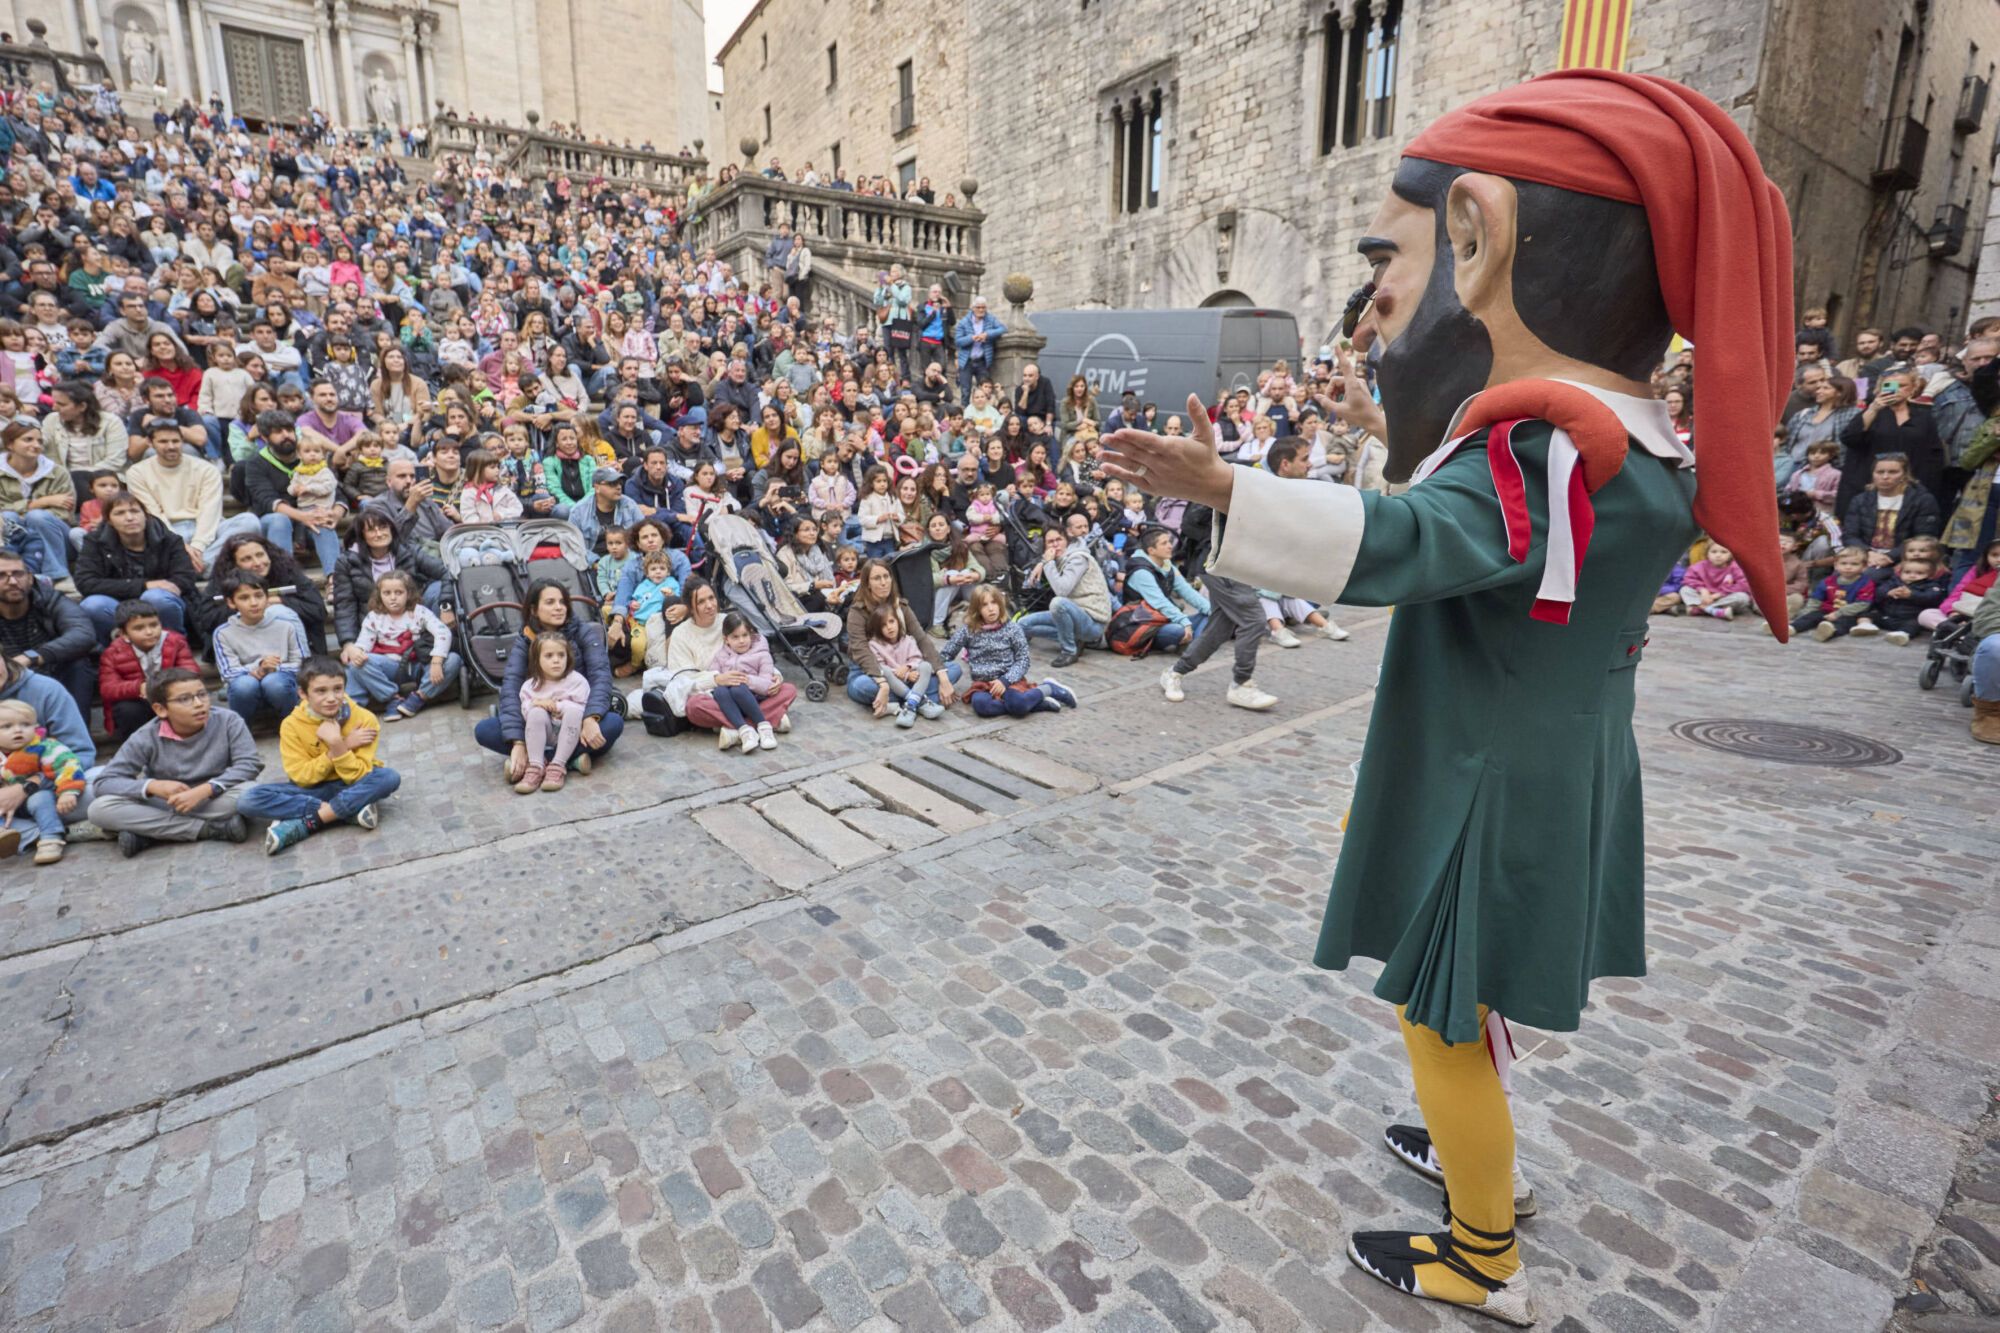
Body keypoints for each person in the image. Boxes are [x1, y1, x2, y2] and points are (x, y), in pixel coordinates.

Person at [1101, 71, 1794, 1325]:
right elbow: (1483, 524)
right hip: (1552, 751)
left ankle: (1481, 1250)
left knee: (1440, 1022)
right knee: (1464, 1010)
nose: (1377, 295)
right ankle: (1482, 1158)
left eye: (1392, 257)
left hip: (1483, 772)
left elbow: (1419, 538)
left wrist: (1225, 493)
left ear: (1479, 236)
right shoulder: (1626, 429)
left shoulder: (1542, 439)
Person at [88, 666, 262, 855]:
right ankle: (209, 829)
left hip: (214, 798)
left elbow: (249, 764)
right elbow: (103, 782)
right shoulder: (145, 736)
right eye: (185, 699)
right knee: (99, 809)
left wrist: (205, 790)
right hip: (169, 803)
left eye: (202, 694)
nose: (199, 704)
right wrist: (153, 786)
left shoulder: (229, 720)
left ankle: (148, 834)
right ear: (161, 709)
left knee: (250, 794)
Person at [239, 656, 402, 855]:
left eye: (338, 689)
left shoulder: (364, 719)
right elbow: (301, 777)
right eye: (320, 691)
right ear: (302, 693)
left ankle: (309, 822)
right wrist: (341, 747)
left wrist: (337, 744)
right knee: (248, 800)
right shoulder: (291, 725)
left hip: (351, 785)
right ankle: (347, 811)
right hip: (314, 791)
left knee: (388, 777)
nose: (332, 698)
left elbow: (357, 776)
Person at [475, 579, 625, 778]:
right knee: (484, 730)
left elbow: (600, 677)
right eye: (550, 602)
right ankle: (570, 760)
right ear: (534, 609)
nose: (559, 608)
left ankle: (540, 761)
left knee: (612, 724)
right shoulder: (526, 639)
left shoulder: (582, 631)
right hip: (538, 719)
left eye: (562, 602)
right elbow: (510, 687)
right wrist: (517, 742)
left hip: (576, 717)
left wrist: (591, 718)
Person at [651, 580, 799, 744]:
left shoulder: (728, 620)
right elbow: (682, 680)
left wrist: (774, 676)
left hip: (751, 688)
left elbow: (757, 650)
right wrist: (715, 679)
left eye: (711, 598)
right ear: (691, 608)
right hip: (715, 695)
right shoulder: (681, 634)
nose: (709, 605)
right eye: (701, 602)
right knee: (694, 707)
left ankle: (735, 730)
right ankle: (768, 721)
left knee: (788, 690)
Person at [74, 490, 198, 643]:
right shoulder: (95, 542)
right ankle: (115, 652)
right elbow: (85, 582)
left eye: (134, 511)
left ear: (145, 515)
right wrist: (145, 585)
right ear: (109, 521)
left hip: (159, 605)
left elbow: (186, 577)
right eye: (120, 513)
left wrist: (168, 588)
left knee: (156, 598)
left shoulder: (169, 540)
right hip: (116, 604)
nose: (129, 517)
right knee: (93, 605)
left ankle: (173, 646)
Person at [938, 585, 1075, 717]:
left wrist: (1005, 681)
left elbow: (1023, 660)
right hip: (983, 683)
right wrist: (941, 678)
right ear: (976, 609)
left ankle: (1048, 688)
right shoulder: (968, 631)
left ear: (1000, 604)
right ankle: (1036, 704)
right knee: (981, 706)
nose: (991, 609)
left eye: (994, 603)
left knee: (1018, 704)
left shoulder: (1012, 629)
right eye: (984, 605)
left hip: (1009, 680)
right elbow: (945, 654)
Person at [843, 558, 963, 710]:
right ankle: (921, 699)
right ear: (867, 584)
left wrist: (943, 677)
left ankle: (904, 700)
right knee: (862, 686)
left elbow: (921, 639)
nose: (883, 582)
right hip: (872, 672)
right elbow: (861, 651)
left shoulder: (901, 606)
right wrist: (884, 684)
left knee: (953, 669)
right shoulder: (857, 612)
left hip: (906, 667)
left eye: (886, 577)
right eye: (877, 578)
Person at [345, 570, 459, 719]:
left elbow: (443, 632)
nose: (393, 598)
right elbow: (363, 644)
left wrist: (437, 661)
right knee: (356, 663)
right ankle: (392, 698)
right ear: (379, 595)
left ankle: (419, 697)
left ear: (408, 594)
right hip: (389, 666)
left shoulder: (419, 612)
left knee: (453, 660)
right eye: (387, 593)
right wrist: (355, 651)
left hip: (419, 664)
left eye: (399, 592)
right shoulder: (374, 617)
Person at [0, 545, 96, 715]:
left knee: (78, 664)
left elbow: (83, 634)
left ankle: (75, 738)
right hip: (5, 679)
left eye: (18, 574)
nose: (13, 582)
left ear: (30, 578)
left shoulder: (49, 599)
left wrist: (30, 657)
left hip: (52, 672)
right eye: (2, 576)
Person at [0, 696, 87, 864]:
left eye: (25, 725)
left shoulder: (44, 747)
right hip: (10, 809)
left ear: (36, 727)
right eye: (7, 726)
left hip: (42, 798)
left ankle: (51, 838)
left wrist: (68, 792)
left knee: (39, 799)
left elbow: (68, 765)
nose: (18, 730)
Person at [97, 598, 196, 741]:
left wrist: (166, 686)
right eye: (139, 628)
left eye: (154, 625)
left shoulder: (176, 642)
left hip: (171, 695)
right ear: (124, 634)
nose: (149, 632)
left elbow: (190, 671)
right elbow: (108, 688)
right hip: (139, 702)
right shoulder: (113, 652)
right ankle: (140, 750)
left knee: (183, 701)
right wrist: (139, 687)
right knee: (128, 710)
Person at [214, 573, 308, 720]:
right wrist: (258, 667)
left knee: (273, 682)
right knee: (244, 685)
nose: (253, 602)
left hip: (281, 684)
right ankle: (242, 730)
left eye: (259, 595)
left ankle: (291, 725)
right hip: (246, 686)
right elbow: (228, 673)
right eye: (244, 598)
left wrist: (274, 668)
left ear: (267, 597)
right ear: (231, 603)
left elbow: (301, 665)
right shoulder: (223, 633)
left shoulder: (285, 626)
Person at [1017, 526, 1112, 666]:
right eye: (1050, 542)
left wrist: (1047, 563)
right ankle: (1074, 639)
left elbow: (1062, 590)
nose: (1055, 544)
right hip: (1073, 614)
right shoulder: (1059, 559)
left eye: (1059, 540)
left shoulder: (1078, 558)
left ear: (1066, 541)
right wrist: (1042, 563)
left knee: (1058, 603)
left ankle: (1069, 651)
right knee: (1022, 624)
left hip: (1093, 621)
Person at [0, 422, 79, 585]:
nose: (36, 445)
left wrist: (30, 513)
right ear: (10, 444)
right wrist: (39, 503)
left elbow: (65, 513)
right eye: (28, 440)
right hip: (10, 531)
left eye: (39, 441)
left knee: (38, 518)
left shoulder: (57, 472)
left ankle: (59, 577)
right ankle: (12, 576)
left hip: (56, 534)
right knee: (8, 518)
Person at [514, 632, 592, 792]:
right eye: (549, 656)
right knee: (535, 713)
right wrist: (538, 703)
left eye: (561, 655)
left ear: (568, 657)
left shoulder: (577, 681)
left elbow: (583, 708)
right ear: (537, 660)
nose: (556, 660)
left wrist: (558, 707)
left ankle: (558, 765)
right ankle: (536, 765)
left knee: (575, 713)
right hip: (542, 737)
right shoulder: (530, 686)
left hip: (572, 735)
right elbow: (524, 709)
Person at [706, 611, 786, 753]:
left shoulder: (762, 655)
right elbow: (713, 676)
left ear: (751, 635)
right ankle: (745, 731)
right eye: (735, 637)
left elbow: (768, 685)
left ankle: (763, 726)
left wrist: (747, 680)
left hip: (754, 697)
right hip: (729, 700)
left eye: (744, 635)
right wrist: (721, 679)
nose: (741, 641)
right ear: (726, 639)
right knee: (719, 691)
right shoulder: (720, 655)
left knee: (740, 688)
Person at [1843, 452, 1941, 556]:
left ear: (1905, 474)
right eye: (1880, 472)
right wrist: (1868, 553)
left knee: (1871, 573)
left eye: (1893, 472)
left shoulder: (1922, 500)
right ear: (1873, 474)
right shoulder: (1860, 500)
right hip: (1864, 556)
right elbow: (1850, 536)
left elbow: (1924, 537)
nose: (1885, 477)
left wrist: (1890, 557)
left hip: (1906, 557)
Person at [867, 604, 943, 727]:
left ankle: (910, 704)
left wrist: (908, 668)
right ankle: (919, 701)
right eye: (883, 625)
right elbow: (879, 667)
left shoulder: (908, 640)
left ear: (898, 621)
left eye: (891, 622)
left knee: (927, 666)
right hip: (894, 682)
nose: (889, 627)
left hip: (914, 679)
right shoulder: (874, 644)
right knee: (882, 670)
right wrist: (906, 675)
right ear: (878, 629)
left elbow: (916, 658)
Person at [1677, 539, 1753, 620]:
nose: (1718, 555)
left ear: (1731, 554)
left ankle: (1700, 609)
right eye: (1714, 552)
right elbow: (1688, 579)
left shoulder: (1735, 567)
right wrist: (1703, 590)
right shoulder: (1699, 566)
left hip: (1723, 597)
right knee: (1685, 590)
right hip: (1703, 597)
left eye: (1724, 552)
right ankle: (1716, 611)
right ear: (1707, 553)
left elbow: (1744, 585)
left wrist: (1716, 596)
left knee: (1743, 597)